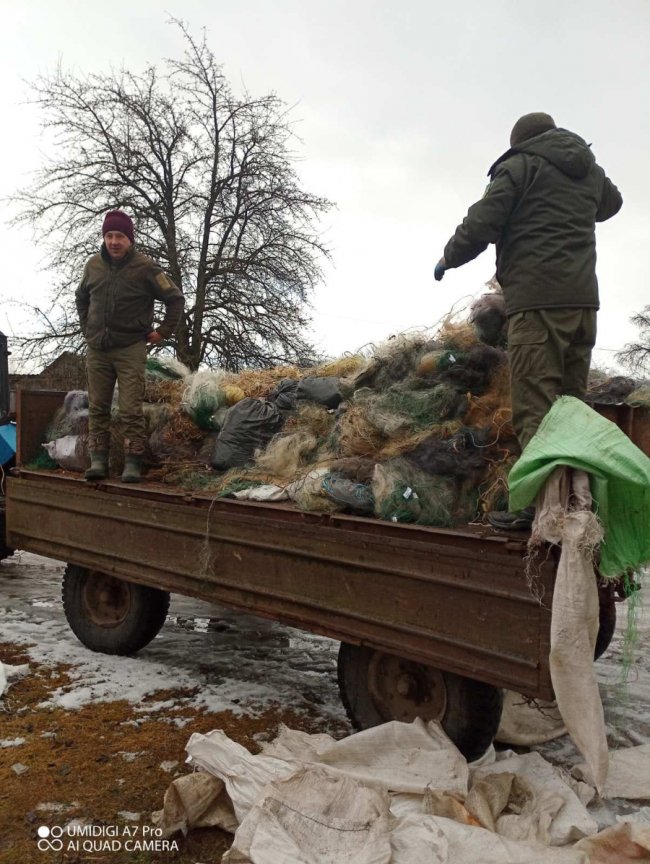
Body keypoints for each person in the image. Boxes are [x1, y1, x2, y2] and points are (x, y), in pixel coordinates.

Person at [434, 112, 622, 529]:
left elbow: (483, 221)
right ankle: (576, 502)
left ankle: (538, 508)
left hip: (537, 305)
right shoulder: (586, 169)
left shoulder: (518, 166)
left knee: (534, 408)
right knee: (571, 407)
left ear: (521, 142)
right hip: (583, 305)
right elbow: (612, 204)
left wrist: (450, 256)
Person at [75, 210, 185, 483]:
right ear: (104, 237)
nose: (114, 241)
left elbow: (175, 299)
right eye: (109, 235)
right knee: (98, 406)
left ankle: (133, 463)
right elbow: (81, 297)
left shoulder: (146, 268)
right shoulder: (92, 266)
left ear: (130, 240)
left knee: (130, 408)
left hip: (130, 348)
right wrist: (87, 327)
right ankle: (98, 461)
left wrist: (163, 331)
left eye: (120, 236)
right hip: (98, 349)